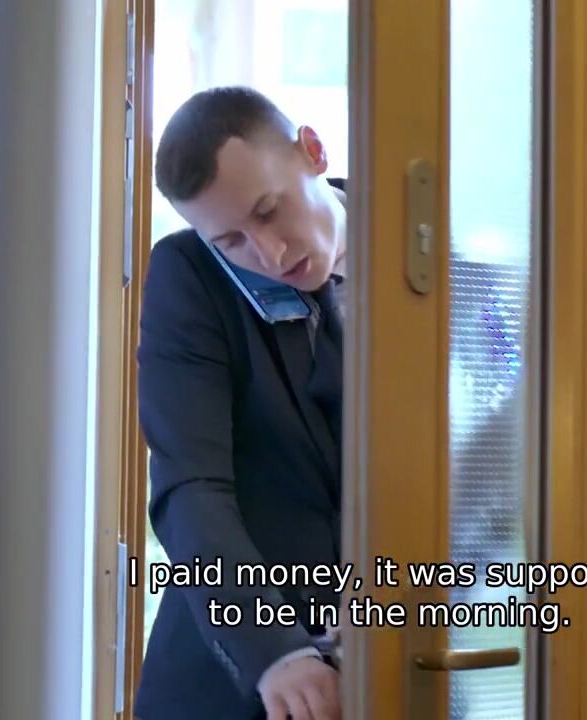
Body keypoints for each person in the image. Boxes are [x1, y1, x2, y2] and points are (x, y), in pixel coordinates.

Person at [134, 86, 347, 720]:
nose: (270, 254)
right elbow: (191, 485)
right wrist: (278, 652)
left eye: (270, 211)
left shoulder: (428, 253)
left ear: (313, 151)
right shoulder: (190, 277)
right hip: (238, 686)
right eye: (231, 240)